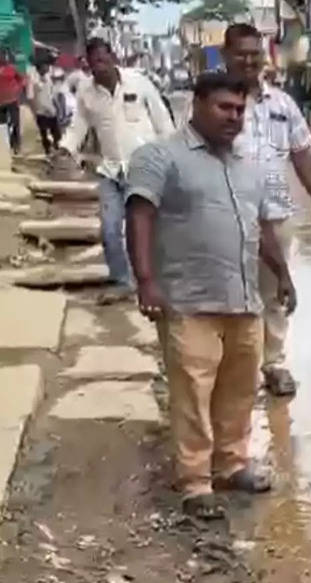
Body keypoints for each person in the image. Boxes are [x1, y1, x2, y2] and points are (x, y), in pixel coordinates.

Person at [125, 72, 296, 520]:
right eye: (224, 107)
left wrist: (283, 276)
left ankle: (232, 465)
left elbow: (262, 228)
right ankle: (195, 482)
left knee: (239, 393)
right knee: (192, 395)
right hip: (189, 300)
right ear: (197, 104)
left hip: (243, 299)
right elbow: (139, 215)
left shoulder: (246, 166)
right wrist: (145, 280)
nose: (234, 117)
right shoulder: (160, 157)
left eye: (240, 110)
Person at [222, 23, 311, 397]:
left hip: (276, 215)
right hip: (227, 217)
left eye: (255, 53)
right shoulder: (218, 104)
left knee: (275, 292)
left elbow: (302, 152)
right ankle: (238, 370)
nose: (249, 60)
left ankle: (274, 363)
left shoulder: (283, 104)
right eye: (241, 53)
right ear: (226, 56)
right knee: (233, 294)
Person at [58, 38, 175, 302]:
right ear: (88, 64)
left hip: (145, 168)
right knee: (110, 229)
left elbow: (161, 118)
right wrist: (66, 148)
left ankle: (156, 277)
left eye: (104, 59)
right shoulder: (86, 93)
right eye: (94, 61)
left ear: (113, 58)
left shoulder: (138, 82)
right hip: (111, 170)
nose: (101, 66)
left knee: (148, 226)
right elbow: (79, 126)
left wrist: (172, 155)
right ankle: (122, 281)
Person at [28, 60, 62, 154]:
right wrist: (34, 111)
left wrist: (57, 105)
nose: (47, 68)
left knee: (56, 132)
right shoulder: (33, 80)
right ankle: (47, 150)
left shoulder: (48, 77)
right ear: (39, 68)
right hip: (41, 110)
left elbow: (52, 93)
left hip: (51, 109)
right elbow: (30, 97)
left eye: (47, 66)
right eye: (45, 66)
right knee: (44, 132)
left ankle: (56, 146)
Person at [0, 51, 25, 152]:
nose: (2, 58)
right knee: (2, 125)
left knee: (15, 123)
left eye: (3, 56)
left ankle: (16, 146)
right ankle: (4, 147)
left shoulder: (12, 68)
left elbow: (22, 80)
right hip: (0, 103)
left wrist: (17, 90)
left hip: (12, 100)